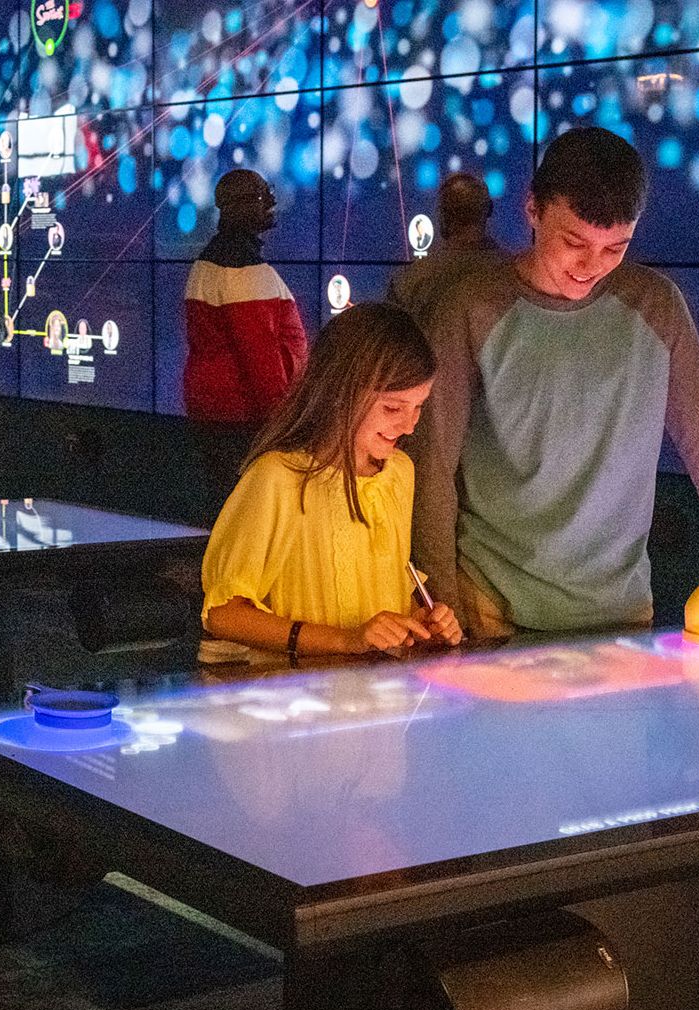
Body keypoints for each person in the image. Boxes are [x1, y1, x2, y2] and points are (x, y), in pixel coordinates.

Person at [411, 127, 699, 645]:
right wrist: (441, 605)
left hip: (620, 617)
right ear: (532, 209)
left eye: (616, 248)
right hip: (490, 612)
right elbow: (431, 468)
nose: (591, 267)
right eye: (574, 242)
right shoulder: (469, 308)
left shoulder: (656, 307)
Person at [200, 301, 461, 662]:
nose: (410, 426)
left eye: (419, 407)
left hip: (375, 700)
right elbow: (223, 615)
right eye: (392, 408)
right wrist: (346, 640)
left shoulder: (400, 471)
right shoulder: (277, 477)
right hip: (297, 701)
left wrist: (420, 621)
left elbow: (387, 589)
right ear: (341, 391)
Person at [184, 169, 308, 522]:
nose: (270, 205)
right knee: (248, 516)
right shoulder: (242, 271)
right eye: (260, 198)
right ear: (237, 206)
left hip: (218, 415)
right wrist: (286, 423)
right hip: (243, 420)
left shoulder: (208, 263)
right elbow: (262, 360)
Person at [389, 172, 507, 328]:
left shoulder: (409, 282)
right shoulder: (518, 275)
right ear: (489, 210)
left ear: (442, 215)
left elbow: (390, 344)